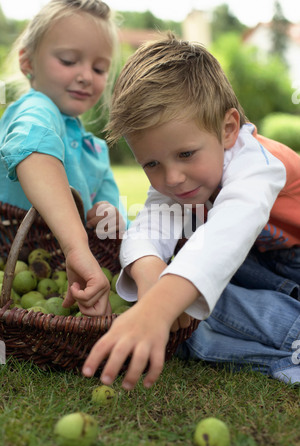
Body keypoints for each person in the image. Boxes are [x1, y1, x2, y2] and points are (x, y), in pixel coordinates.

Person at [82, 33, 300, 389]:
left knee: (188, 285)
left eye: (185, 154)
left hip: (289, 263)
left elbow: (224, 236)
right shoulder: (178, 179)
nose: (171, 177)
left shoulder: (257, 163)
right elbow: (148, 230)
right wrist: (153, 283)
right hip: (262, 268)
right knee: (184, 298)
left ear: (228, 129)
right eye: (151, 163)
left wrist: (157, 308)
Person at [0, 0, 126, 315]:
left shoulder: (95, 150)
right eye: (69, 60)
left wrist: (110, 216)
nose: (86, 76)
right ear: (28, 63)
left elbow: (113, 229)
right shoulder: (36, 108)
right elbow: (35, 150)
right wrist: (75, 246)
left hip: (56, 278)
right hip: (12, 260)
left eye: (99, 68)